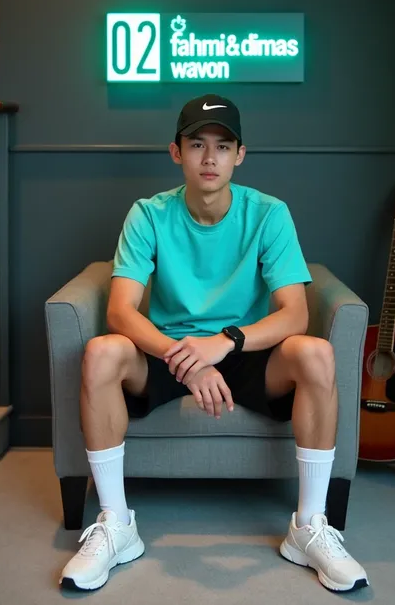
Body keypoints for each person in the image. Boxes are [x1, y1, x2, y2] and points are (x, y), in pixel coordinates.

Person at [59, 94, 369, 593]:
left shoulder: (268, 214)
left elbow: (296, 313)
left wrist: (224, 343)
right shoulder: (148, 214)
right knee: (100, 351)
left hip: (243, 352)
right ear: (175, 152)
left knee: (317, 351)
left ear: (239, 155)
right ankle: (116, 523)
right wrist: (187, 361)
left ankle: (309, 526)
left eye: (222, 146)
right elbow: (120, 310)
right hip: (166, 352)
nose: (209, 157)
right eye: (197, 144)